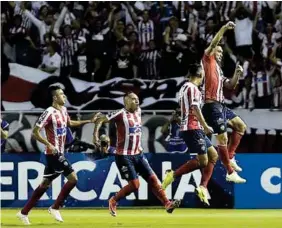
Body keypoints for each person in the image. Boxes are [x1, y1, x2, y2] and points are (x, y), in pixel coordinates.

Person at [16, 85, 99, 225]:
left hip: (59, 152)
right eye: (61, 94)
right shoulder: (49, 112)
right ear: (55, 97)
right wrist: (49, 144)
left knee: (44, 184)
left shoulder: (64, 110)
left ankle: (23, 212)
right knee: (73, 178)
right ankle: (55, 207)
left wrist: (89, 120)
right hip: (52, 153)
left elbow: (69, 123)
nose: (64, 96)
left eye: (64, 94)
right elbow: (35, 132)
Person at [93, 92, 180, 217]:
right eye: (133, 99)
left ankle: (167, 204)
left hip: (139, 154)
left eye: (137, 99)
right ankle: (113, 200)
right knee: (135, 185)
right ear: (126, 102)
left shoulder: (138, 111)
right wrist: (95, 136)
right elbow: (101, 119)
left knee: (154, 180)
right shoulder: (120, 113)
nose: (137, 101)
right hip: (124, 156)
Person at [161, 64, 219, 206]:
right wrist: (205, 125)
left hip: (193, 127)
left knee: (213, 155)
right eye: (203, 73)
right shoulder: (192, 88)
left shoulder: (185, 87)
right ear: (199, 74)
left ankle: (203, 187)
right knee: (204, 161)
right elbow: (194, 108)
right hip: (193, 128)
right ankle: (173, 175)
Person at [201, 21, 247, 182]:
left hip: (221, 105)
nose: (220, 54)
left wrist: (237, 74)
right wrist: (224, 29)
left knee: (241, 126)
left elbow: (230, 85)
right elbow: (214, 42)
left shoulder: (219, 70)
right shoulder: (207, 60)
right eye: (218, 51)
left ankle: (231, 156)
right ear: (213, 51)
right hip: (210, 104)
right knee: (223, 138)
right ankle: (229, 172)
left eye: (221, 52)